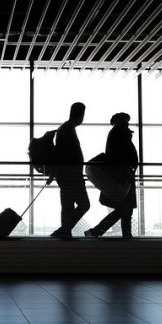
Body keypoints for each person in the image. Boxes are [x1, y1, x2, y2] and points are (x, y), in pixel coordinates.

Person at [86, 112, 138, 238]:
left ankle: (122, 234)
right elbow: (120, 155)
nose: (128, 124)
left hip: (122, 176)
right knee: (125, 208)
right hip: (122, 176)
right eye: (126, 121)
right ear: (121, 122)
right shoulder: (120, 133)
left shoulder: (116, 133)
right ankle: (98, 231)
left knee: (125, 209)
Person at [51, 102, 90, 238]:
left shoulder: (66, 128)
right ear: (80, 114)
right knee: (84, 204)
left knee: (68, 205)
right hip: (71, 174)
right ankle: (64, 230)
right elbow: (63, 154)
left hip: (65, 174)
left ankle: (65, 232)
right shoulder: (67, 129)